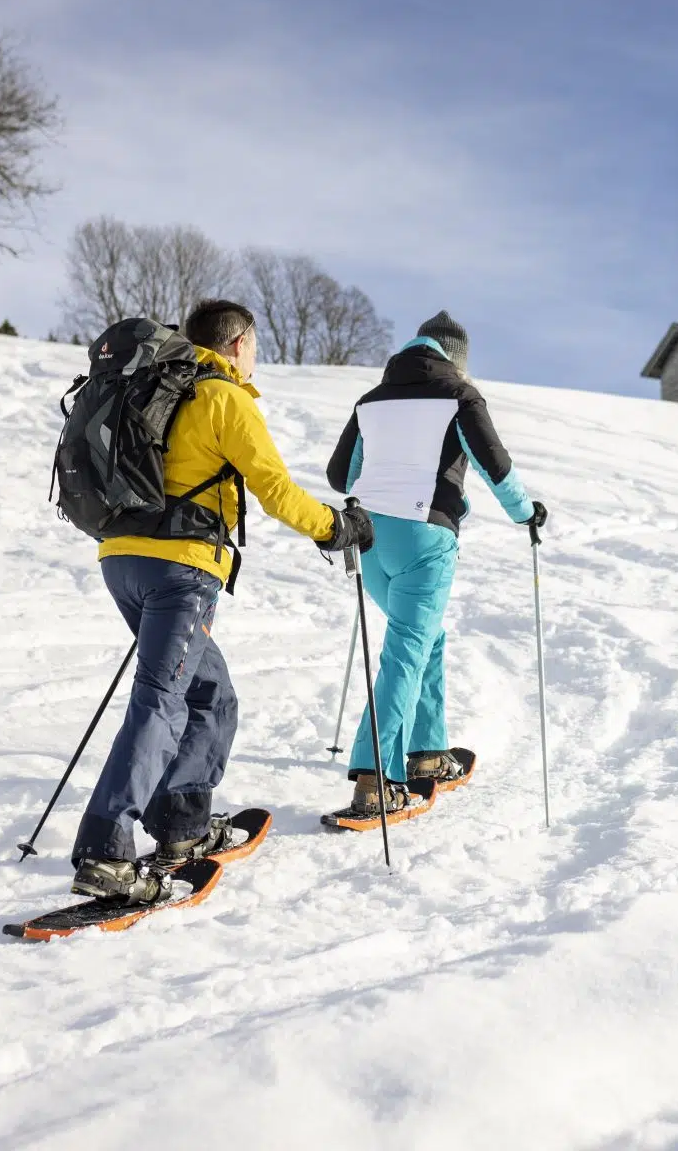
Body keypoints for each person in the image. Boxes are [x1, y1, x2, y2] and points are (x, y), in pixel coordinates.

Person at [72, 298, 373, 900]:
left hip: (120, 558)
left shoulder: (152, 385)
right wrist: (336, 528)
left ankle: (181, 827)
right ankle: (105, 851)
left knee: (210, 695)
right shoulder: (221, 396)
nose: (256, 355)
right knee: (162, 701)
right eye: (255, 344)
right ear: (238, 343)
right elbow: (275, 489)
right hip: (179, 570)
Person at [325, 310, 547, 818]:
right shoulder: (459, 395)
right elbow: (495, 465)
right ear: (458, 359)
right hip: (425, 536)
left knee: (425, 639)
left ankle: (426, 753)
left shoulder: (372, 400)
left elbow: (342, 476)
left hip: (368, 540)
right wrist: (525, 513)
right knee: (406, 650)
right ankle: (374, 777)